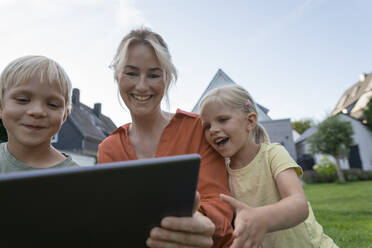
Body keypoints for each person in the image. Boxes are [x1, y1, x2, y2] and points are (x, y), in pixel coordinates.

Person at [97, 27, 234, 248]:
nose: (142, 86)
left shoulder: (197, 128)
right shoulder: (109, 148)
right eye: (131, 73)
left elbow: (219, 204)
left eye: (153, 75)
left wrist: (202, 223)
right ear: (117, 76)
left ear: (167, 78)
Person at [199, 84, 339, 248]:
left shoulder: (273, 154)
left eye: (222, 120)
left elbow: (299, 204)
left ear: (250, 121)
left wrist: (261, 218)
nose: (213, 129)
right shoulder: (223, 174)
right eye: (206, 126)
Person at [0, 55, 78, 173]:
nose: (37, 111)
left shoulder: (78, 179)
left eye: (52, 105)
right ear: (1, 107)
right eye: (23, 99)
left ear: (64, 116)